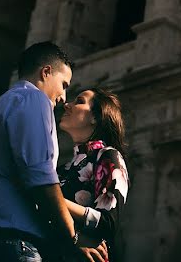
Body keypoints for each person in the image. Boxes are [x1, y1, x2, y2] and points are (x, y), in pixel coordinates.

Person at [0, 42, 105, 262]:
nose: (64, 98)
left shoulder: (0, 106)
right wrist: (73, 239)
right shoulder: (35, 99)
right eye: (64, 84)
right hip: (9, 241)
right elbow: (42, 179)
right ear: (46, 72)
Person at [56, 88, 131, 262]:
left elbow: (108, 221)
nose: (67, 105)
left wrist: (53, 200)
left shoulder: (109, 157)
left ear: (96, 117)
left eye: (80, 101)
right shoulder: (63, 169)